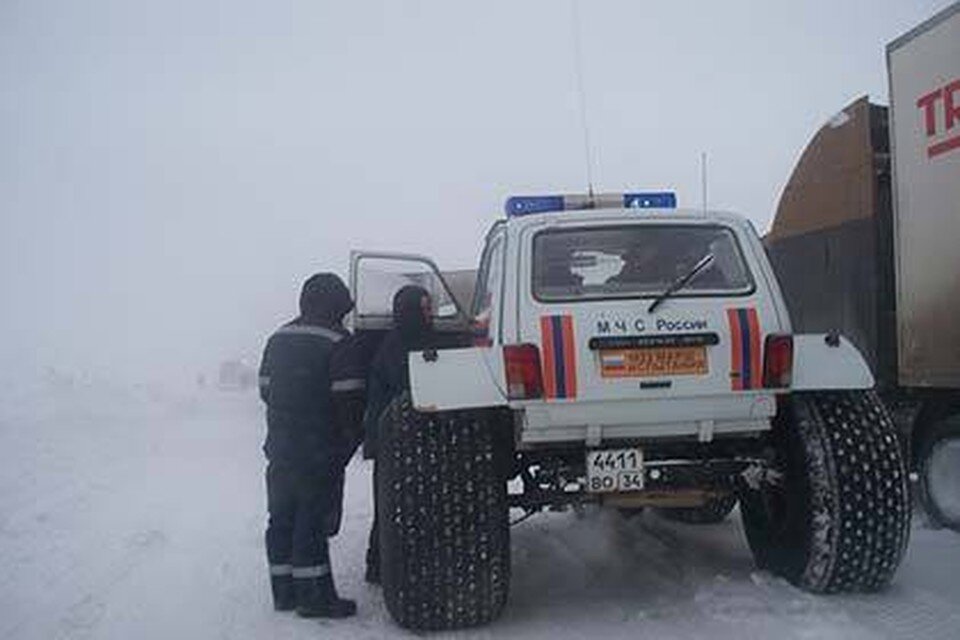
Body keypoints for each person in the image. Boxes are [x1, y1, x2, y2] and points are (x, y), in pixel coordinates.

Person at [257, 273, 366, 618]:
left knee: (281, 516)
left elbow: (265, 388)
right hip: (319, 448)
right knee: (311, 520)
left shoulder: (277, 338)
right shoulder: (338, 340)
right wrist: (350, 437)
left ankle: (284, 593)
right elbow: (350, 397)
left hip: (281, 445)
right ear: (334, 304)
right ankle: (315, 598)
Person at [361, 284, 435, 585]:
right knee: (394, 505)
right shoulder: (401, 347)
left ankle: (381, 564)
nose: (430, 313)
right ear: (412, 310)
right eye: (426, 307)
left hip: (396, 438)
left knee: (391, 503)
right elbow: (413, 390)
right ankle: (383, 566)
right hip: (395, 438)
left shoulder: (401, 341)